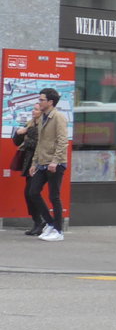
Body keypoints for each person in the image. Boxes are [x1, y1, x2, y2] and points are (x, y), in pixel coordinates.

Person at [29, 88, 69, 241]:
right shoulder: (43, 117)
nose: (39, 102)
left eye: (41, 100)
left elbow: (62, 141)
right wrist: (34, 162)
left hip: (55, 163)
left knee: (54, 196)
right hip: (42, 162)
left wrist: (55, 161)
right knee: (33, 192)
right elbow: (40, 142)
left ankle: (58, 231)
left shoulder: (58, 117)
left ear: (50, 102)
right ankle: (51, 223)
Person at [12, 101, 46, 235]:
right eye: (33, 109)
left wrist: (26, 133)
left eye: (36, 109)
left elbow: (38, 143)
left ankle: (43, 221)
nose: (33, 111)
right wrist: (20, 133)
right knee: (29, 193)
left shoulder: (43, 125)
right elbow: (16, 142)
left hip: (38, 163)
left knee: (31, 193)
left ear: (42, 112)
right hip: (28, 164)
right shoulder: (31, 124)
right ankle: (38, 222)